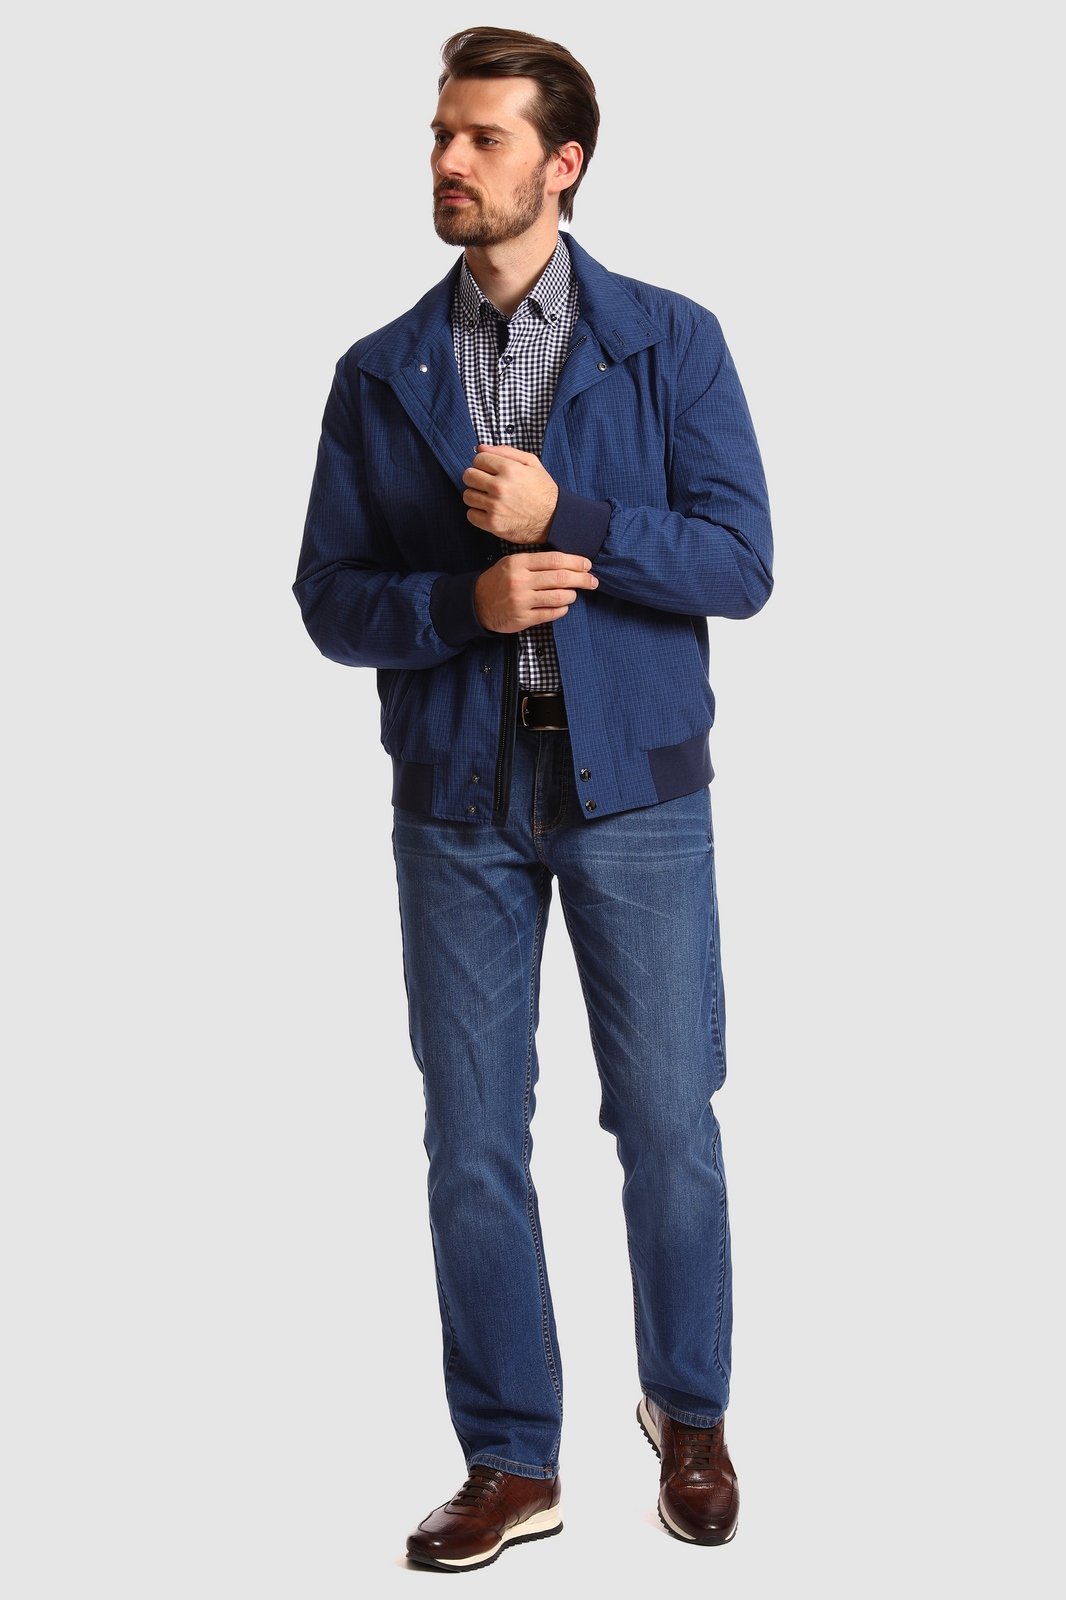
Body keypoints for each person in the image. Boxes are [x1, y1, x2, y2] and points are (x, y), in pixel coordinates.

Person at [293, 24, 773, 1572]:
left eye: (481, 137)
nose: (448, 160)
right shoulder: (381, 373)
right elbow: (330, 599)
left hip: (637, 797)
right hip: (456, 802)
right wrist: (463, 605)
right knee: (471, 1141)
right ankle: (508, 1459)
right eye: (440, 133)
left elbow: (740, 563)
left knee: (668, 1120)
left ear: (559, 165)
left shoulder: (671, 342)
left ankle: (688, 1414)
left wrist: (577, 517)